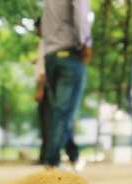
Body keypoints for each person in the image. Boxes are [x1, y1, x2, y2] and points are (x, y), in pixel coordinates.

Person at [41, 0, 92, 168]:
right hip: (69, 55)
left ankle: (73, 155)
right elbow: (80, 15)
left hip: (50, 56)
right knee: (64, 112)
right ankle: (51, 161)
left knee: (59, 112)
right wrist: (86, 42)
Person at [34, 16, 83, 167]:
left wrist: (40, 89)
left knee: (58, 119)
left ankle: (53, 158)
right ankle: (67, 156)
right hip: (51, 84)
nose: (36, 31)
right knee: (61, 119)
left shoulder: (49, 43)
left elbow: (43, 70)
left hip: (48, 87)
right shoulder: (49, 42)